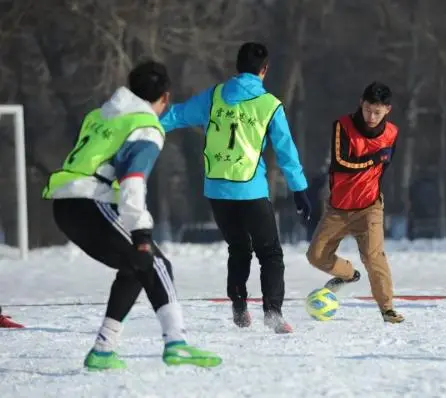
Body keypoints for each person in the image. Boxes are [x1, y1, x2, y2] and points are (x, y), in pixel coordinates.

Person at [41, 61, 221, 370]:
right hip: (89, 202)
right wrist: (141, 232)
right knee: (156, 262)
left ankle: (103, 350)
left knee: (135, 267)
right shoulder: (146, 126)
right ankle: (176, 343)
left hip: (65, 203)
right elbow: (132, 180)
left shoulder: (99, 115)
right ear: (165, 97)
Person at [159, 42, 311, 334]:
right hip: (251, 190)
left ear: (237, 67)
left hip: (216, 190)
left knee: (239, 248)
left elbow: (177, 115)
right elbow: (286, 151)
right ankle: (273, 313)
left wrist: (145, 125)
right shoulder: (270, 105)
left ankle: (240, 307)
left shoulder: (215, 96)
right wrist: (299, 189)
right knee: (270, 253)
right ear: (264, 70)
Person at [306, 82, 404, 323]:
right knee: (316, 256)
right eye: (368, 109)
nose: (371, 116)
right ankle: (348, 275)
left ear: (387, 110)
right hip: (338, 208)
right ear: (361, 103)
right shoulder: (343, 126)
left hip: (370, 207)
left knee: (374, 257)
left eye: (377, 112)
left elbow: (386, 165)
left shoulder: (392, 133)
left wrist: (374, 170)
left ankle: (387, 308)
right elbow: (341, 162)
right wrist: (373, 159)